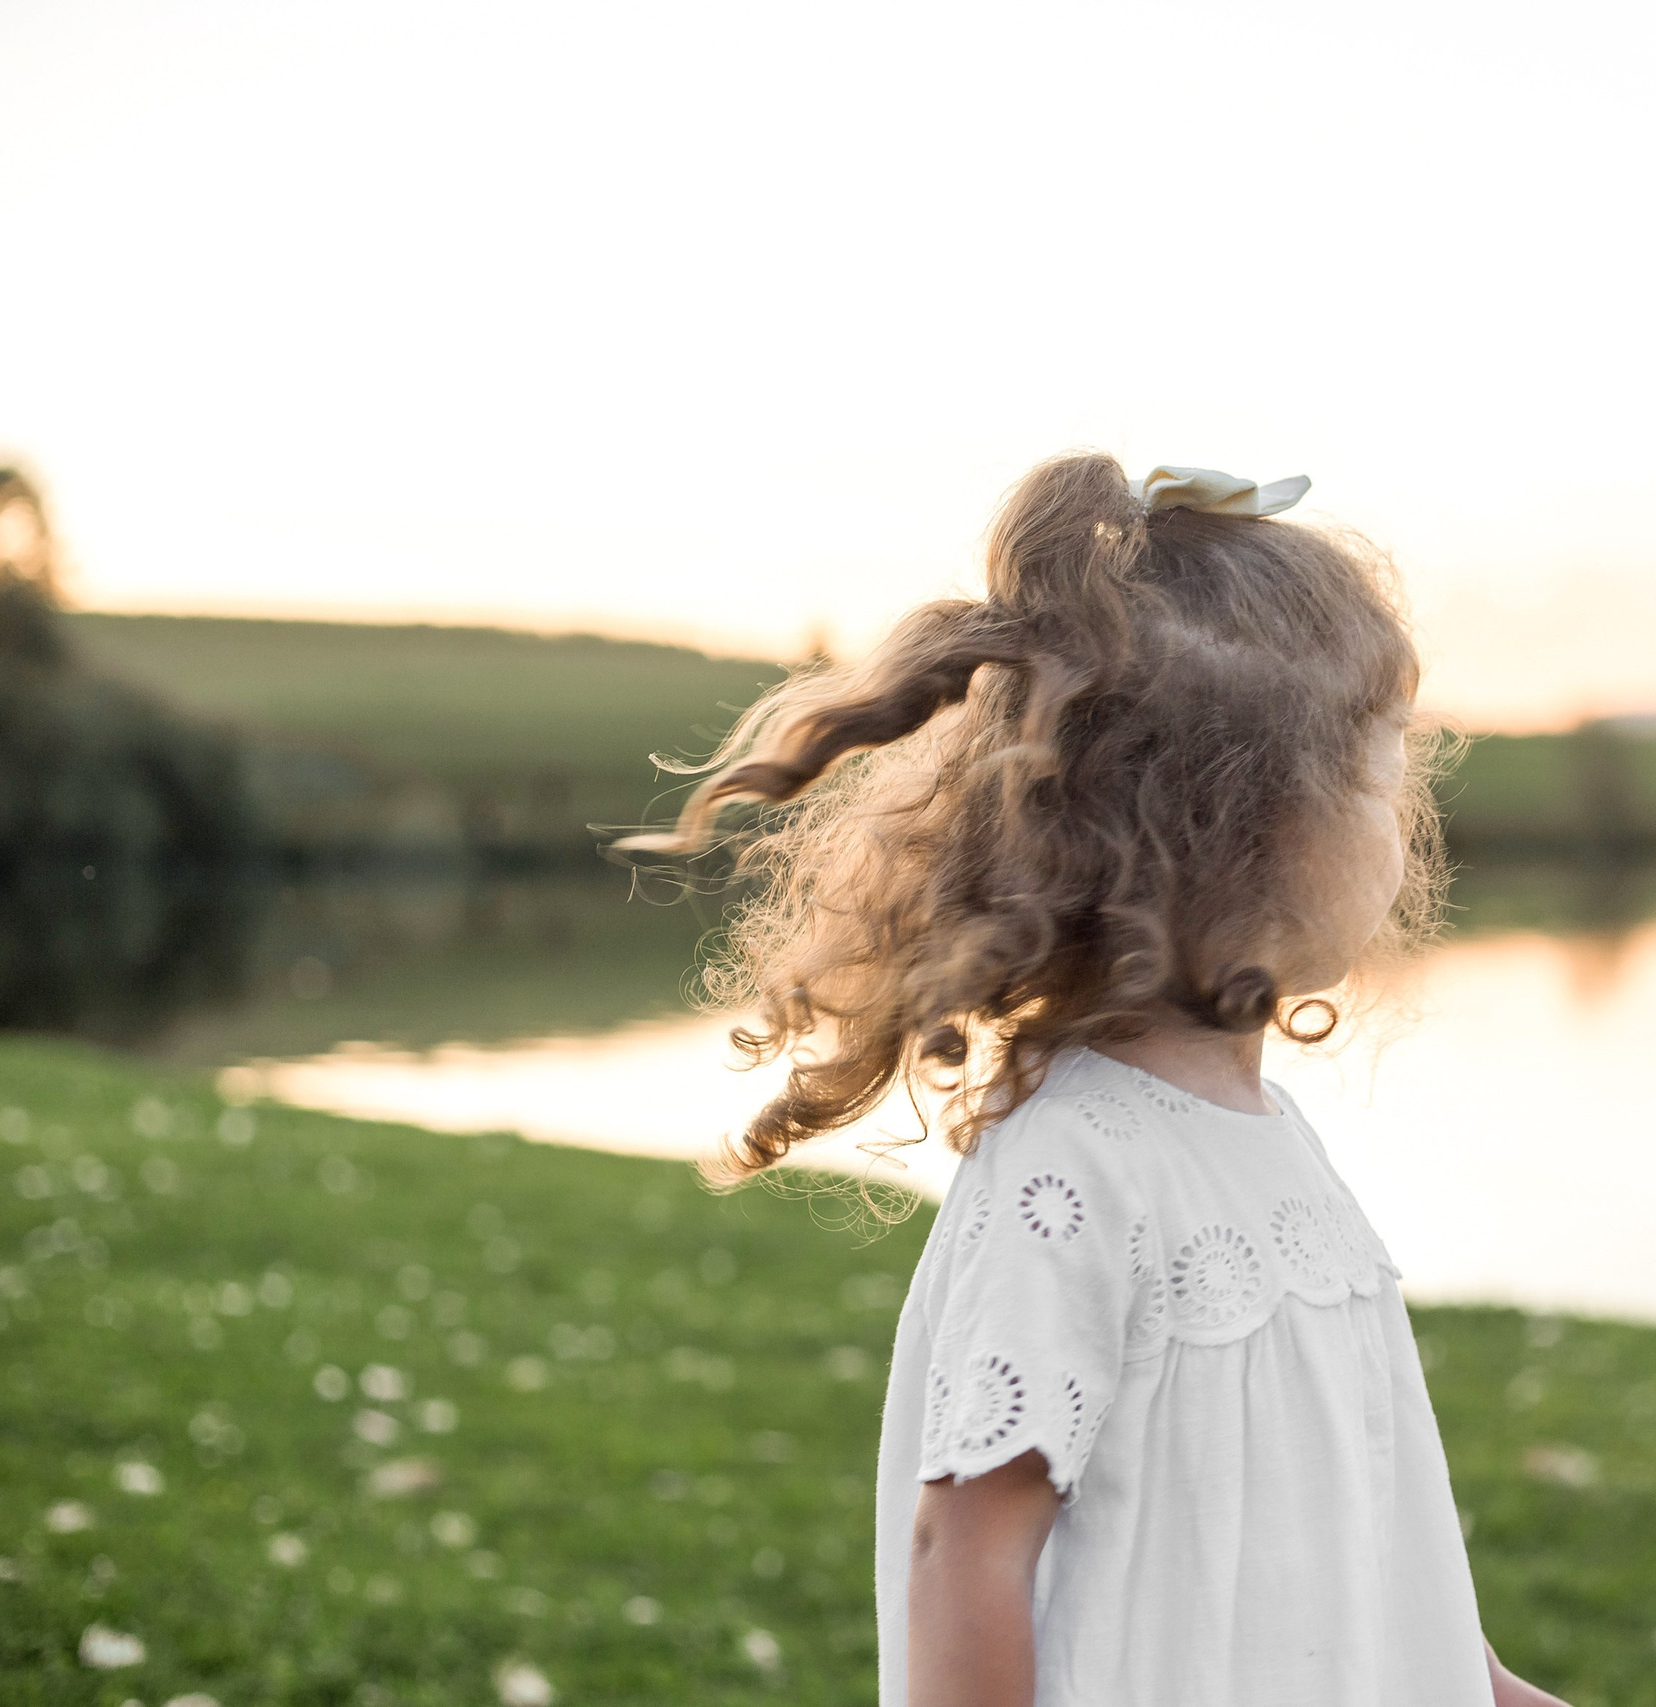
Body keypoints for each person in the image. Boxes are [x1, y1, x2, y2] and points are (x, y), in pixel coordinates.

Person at [637, 452, 1572, 1707]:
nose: (1403, 823)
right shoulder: (1079, 1169)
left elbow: (1361, 1536)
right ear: (1243, 828)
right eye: (1380, 769)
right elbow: (962, 1550)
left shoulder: (1263, 1134)